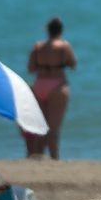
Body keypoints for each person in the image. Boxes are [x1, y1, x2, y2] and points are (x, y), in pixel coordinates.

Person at [27, 17, 77, 159]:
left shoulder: (37, 46)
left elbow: (30, 68)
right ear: (61, 30)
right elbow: (73, 64)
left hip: (39, 84)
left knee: (40, 126)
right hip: (57, 85)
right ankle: (54, 158)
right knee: (53, 128)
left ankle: (38, 156)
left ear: (47, 30)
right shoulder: (64, 46)